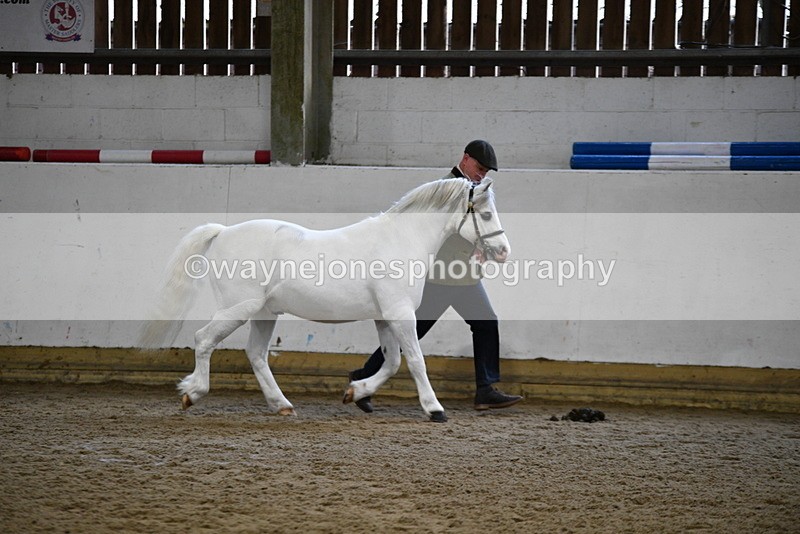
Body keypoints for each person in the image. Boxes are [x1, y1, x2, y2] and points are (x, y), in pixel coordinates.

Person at [348, 140, 524, 412]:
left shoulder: (476, 192)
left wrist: (485, 250)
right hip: (439, 276)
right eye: (479, 167)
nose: (482, 175)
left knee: (486, 323)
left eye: (486, 171)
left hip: (464, 278)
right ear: (465, 159)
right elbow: (436, 231)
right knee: (410, 333)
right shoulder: (444, 189)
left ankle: (485, 389)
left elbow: (478, 228)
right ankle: (364, 377)